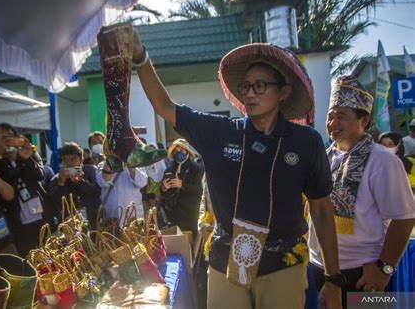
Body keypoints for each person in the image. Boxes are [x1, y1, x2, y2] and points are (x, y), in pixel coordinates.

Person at [132, 29, 341, 309]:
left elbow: (322, 211)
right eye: (245, 87)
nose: (250, 94)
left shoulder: (306, 142)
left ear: (284, 91)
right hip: (223, 264)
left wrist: (333, 279)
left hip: (283, 266)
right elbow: (164, 105)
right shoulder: (220, 132)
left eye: (260, 86)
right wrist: (140, 57)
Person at [308, 76, 415, 308]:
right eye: (330, 116)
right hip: (321, 269)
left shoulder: (383, 160)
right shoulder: (324, 158)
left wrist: (384, 269)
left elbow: (404, 219)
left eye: (342, 116)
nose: (333, 123)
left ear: (364, 120)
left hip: (364, 274)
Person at [0, 123, 51, 257]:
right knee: (28, 257)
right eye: (3, 138)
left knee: (49, 254)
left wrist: (24, 158)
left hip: (41, 217)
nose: (8, 141)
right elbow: (7, 184)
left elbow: (39, 175)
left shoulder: (29, 154)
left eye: (11, 137)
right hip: (18, 224)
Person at [50, 142, 101, 229]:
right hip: (69, 225)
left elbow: (97, 192)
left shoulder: (90, 170)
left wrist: (80, 182)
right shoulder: (56, 178)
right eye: (65, 160)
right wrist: (61, 183)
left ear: (81, 160)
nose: (69, 163)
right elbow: (56, 203)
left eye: (73, 159)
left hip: (92, 221)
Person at [161, 138, 204, 237]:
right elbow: (164, 192)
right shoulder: (169, 169)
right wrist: (164, 188)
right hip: (172, 215)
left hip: (189, 215)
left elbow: (199, 191)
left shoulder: (196, 169)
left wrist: (182, 185)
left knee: (189, 244)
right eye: (176, 151)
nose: (178, 152)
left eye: (181, 150)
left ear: (187, 152)